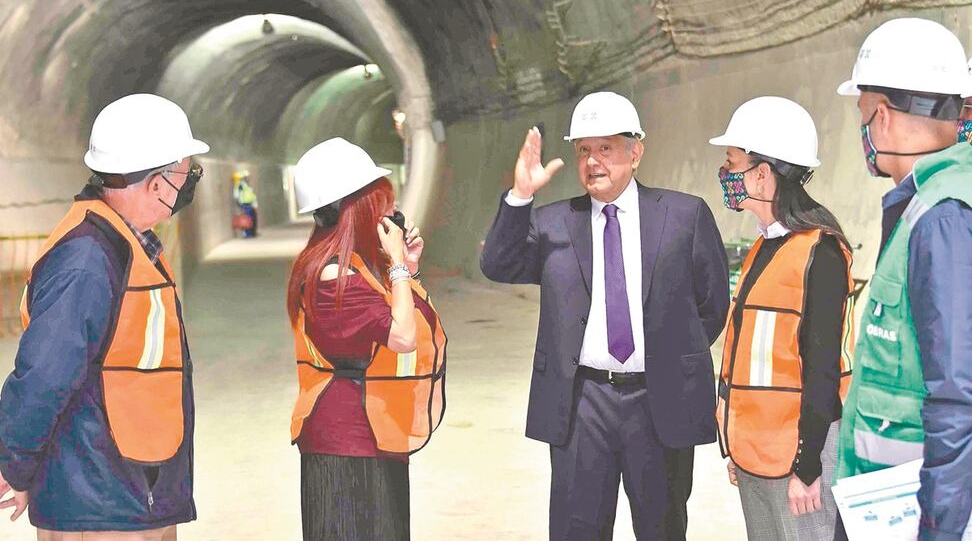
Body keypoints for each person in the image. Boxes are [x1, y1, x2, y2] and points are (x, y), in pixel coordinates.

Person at [480, 91, 729, 540]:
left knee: (662, 527)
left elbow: (711, 305)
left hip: (659, 402)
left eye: (606, 148)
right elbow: (498, 264)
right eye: (584, 150)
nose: (593, 161)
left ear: (636, 152)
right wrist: (520, 196)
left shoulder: (684, 216)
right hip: (582, 403)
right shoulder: (555, 223)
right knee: (578, 529)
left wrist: (670, 358)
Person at [0, 93, 208, 539]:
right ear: (157, 183)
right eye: (187, 173)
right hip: (98, 499)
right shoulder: (87, 259)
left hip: (128, 486)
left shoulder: (126, 245)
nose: (189, 183)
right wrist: (14, 466)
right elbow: (43, 374)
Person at [833, 18, 972, 541]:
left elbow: (958, 397)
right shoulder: (926, 206)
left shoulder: (944, 217)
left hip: (911, 516)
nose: (864, 133)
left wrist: (938, 531)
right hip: (886, 506)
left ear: (883, 118)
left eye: (863, 117)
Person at [709, 96, 855, 540]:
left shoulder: (821, 252)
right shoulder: (763, 246)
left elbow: (823, 370)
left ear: (762, 173)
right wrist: (734, 446)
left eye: (732, 162)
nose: (726, 174)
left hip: (799, 460)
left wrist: (808, 467)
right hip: (756, 453)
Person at [286, 137, 446, 541]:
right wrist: (397, 268)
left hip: (374, 431)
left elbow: (412, 318)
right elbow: (404, 336)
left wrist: (406, 268)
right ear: (356, 209)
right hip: (347, 442)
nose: (392, 214)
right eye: (383, 204)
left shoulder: (354, 266)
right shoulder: (333, 277)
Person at [232, 170, 258, 237]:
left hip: (249, 203)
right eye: (246, 177)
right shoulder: (240, 185)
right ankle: (247, 233)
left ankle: (251, 233)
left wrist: (254, 203)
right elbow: (237, 195)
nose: (247, 178)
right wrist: (239, 203)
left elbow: (250, 195)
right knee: (247, 218)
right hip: (244, 204)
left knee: (251, 218)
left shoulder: (246, 185)